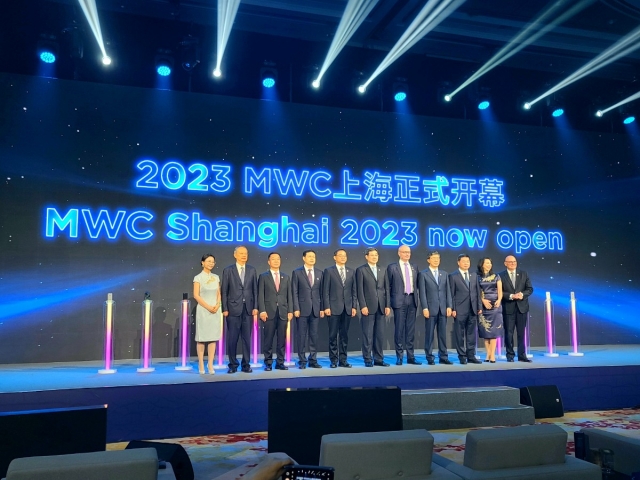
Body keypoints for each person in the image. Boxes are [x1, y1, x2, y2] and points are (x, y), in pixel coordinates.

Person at [221, 246, 258, 374]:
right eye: (241, 253)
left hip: (248, 309)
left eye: (246, 253)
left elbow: (255, 291)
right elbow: (224, 291)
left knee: (247, 339)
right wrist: (225, 308)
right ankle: (232, 364)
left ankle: (246, 364)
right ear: (235, 254)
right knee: (232, 339)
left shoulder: (252, 270)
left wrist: (255, 307)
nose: (244, 255)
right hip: (232, 309)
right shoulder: (228, 270)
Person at [258, 252, 293, 371]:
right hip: (268, 312)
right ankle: (268, 363)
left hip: (283, 312)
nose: (276, 261)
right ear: (269, 262)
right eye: (273, 259)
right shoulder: (263, 276)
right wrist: (262, 310)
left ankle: (280, 362)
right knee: (268, 339)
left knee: (281, 340)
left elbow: (290, 295)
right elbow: (260, 295)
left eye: (278, 259)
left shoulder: (286, 277)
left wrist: (290, 310)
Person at [356, 247, 391, 367]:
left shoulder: (383, 269)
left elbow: (386, 289)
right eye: (372, 255)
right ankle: (367, 359)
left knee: (379, 335)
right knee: (368, 335)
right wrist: (363, 305)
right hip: (368, 307)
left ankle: (379, 359)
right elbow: (360, 290)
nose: (375, 257)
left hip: (381, 306)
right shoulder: (361, 270)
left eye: (376, 255)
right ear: (367, 257)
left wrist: (387, 305)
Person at [322, 249, 357, 368]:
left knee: (344, 336)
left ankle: (343, 360)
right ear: (334, 257)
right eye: (340, 255)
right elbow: (325, 291)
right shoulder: (329, 271)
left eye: (344, 255)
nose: (343, 257)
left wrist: (354, 306)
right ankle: (333, 360)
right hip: (333, 308)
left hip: (347, 308)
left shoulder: (351, 271)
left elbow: (354, 291)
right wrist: (326, 306)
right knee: (332, 336)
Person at [387, 245, 421, 365]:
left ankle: (410, 356)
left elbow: (417, 285)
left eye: (409, 252)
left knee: (410, 330)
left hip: (412, 299)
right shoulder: (392, 267)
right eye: (405, 252)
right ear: (399, 253)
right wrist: (389, 302)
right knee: (399, 329)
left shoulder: (414, 267)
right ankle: (399, 356)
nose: (407, 254)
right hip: (399, 300)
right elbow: (388, 286)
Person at [417, 250, 453, 365]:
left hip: (443, 308)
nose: (436, 260)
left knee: (442, 335)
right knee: (429, 335)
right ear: (428, 260)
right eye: (434, 258)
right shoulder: (423, 274)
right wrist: (425, 308)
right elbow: (422, 293)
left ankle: (443, 356)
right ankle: (429, 357)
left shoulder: (444, 274)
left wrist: (449, 306)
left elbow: (448, 292)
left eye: (438, 258)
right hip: (430, 309)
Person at [291, 250, 324, 369]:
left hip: (315, 309)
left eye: (313, 257)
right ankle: (302, 360)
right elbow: (294, 292)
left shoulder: (320, 273)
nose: (312, 258)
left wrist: (322, 308)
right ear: (303, 258)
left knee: (314, 336)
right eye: (309, 256)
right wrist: (296, 307)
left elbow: (322, 292)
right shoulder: (297, 272)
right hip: (302, 309)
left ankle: (313, 359)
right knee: (301, 336)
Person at [499, 255, 534, 363]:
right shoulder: (500, 276)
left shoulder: (524, 273)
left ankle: (522, 355)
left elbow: (530, 289)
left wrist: (522, 294)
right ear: (505, 263)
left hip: (521, 308)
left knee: (521, 333)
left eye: (514, 261)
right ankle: (510, 355)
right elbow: (499, 293)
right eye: (510, 262)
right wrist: (511, 296)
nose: (513, 263)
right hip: (508, 308)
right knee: (508, 333)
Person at [449, 253, 482, 364]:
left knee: (471, 334)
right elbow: (451, 294)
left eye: (468, 261)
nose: (466, 263)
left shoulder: (474, 275)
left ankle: (471, 355)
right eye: (464, 261)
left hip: (473, 309)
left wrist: (479, 306)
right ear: (458, 262)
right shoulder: (453, 276)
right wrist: (453, 308)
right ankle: (462, 356)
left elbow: (478, 292)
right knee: (460, 334)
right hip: (459, 310)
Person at [193, 254, 222, 375]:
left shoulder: (216, 277)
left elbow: (218, 293)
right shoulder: (198, 277)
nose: (211, 263)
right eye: (208, 261)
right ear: (202, 262)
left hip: (215, 310)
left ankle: (210, 363)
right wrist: (208, 306)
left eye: (213, 262)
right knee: (202, 338)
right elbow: (196, 295)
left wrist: (217, 305)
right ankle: (201, 363)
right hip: (204, 310)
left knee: (212, 338)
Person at [476, 257, 503, 363]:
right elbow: (476, 292)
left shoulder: (497, 276)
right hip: (483, 305)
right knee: (485, 331)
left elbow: (500, 291)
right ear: (482, 264)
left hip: (495, 305)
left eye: (490, 263)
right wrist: (483, 300)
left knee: (494, 331)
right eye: (487, 263)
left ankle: (492, 355)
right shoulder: (477, 277)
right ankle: (488, 354)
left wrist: (499, 300)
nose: (489, 265)